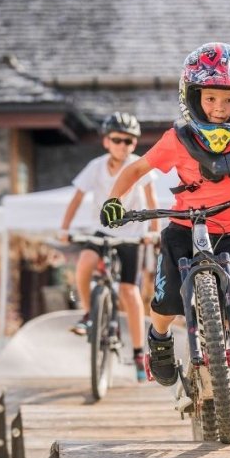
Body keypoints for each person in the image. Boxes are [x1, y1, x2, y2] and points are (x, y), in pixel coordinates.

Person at [101, 42, 230, 414]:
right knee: (168, 296)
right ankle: (158, 341)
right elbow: (138, 169)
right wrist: (115, 199)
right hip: (182, 227)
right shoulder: (178, 138)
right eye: (209, 99)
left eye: (227, 100)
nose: (219, 108)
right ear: (192, 96)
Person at [59, 111, 159, 382]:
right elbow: (76, 198)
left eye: (128, 141)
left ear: (134, 144)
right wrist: (64, 229)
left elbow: (151, 198)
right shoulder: (96, 166)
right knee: (84, 264)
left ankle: (139, 352)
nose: (122, 146)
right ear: (106, 142)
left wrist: (153, 231)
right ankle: (89, 313)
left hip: (131, 233)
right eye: (116, 140)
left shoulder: (138, 165)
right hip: (102, 229)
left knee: (129, 291)